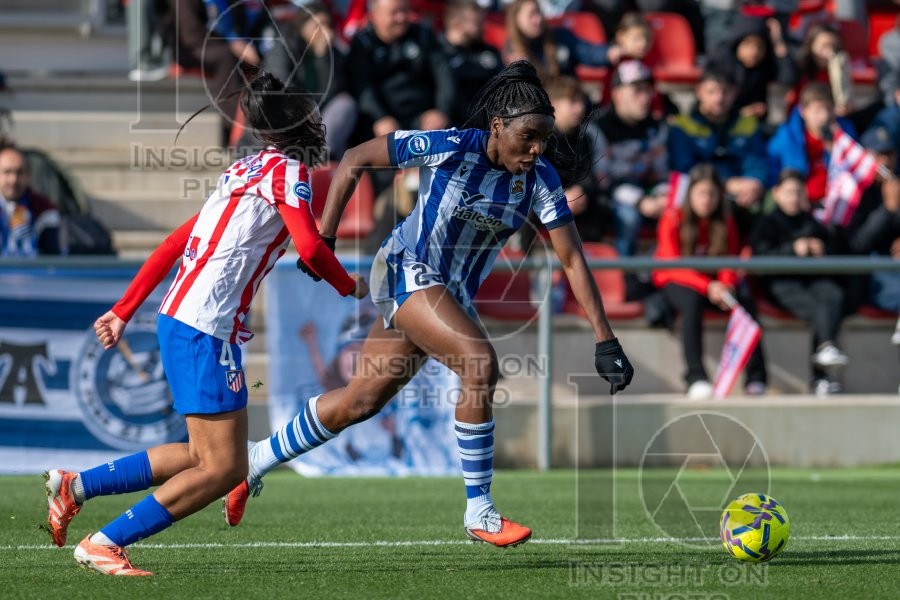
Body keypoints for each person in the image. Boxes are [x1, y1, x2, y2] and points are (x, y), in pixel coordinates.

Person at [223, 61, 635, 547]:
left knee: (359, 402)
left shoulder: (540, 179)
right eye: (528, 136)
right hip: (404, 270)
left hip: (445, 294)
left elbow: (571, 259)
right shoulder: (452, 146)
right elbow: (354, 157)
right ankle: (479, 510)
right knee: (480, 363)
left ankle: (254, 460)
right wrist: (326, 235)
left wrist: (606, 339)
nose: (536, 149)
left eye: (543, 139)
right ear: (498, 127)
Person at [42, 72, 368, 576]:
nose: (319, 118)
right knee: (221, 467)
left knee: (211, 454)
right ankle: (106, 541)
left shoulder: (243, 171)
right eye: (311, 109)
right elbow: (308, 247)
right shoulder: (287, 173)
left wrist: (126, 308)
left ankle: (75, 487)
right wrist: (351, 286)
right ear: (297, 120)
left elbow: (176, 242)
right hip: (205, 326)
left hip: (185, 318)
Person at [652, 164, 767, 400]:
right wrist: (708, 286)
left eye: (712, 194)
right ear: (690, 194)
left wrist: (726, 284)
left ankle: (756, 379)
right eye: (701, 193)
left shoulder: (724, 220)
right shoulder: (672, 218)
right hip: (675, 280)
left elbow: (729, 257)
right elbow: (672, 265)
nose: (706, 200)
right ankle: (696, 377)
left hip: (713, 285)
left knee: (744, 303)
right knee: (692, 303)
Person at [750, 169, 848, 396]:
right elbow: (760, 261)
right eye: (788, 192)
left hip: (812, 281)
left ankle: (824, 361)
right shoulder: (766, 223)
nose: (793, 198)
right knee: (819, 309)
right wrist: (793, 249)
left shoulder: (811, 223)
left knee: (832, 295)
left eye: (798, 192)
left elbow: (835, 250)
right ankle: (822, 369)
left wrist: (822, 249)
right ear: (776, 194)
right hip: (780, 285)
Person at [667, 68, 768, 237]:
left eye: (725, 92)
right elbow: (684, 168)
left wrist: (755, 183)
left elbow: (757, 160)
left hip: (743, 191)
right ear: (699, 92)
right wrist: (724, 184)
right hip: (703, 192)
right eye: (711, 92)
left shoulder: (748, 124)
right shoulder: (682, 126)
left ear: (734, 93)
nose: (719, 98)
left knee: (772, 204)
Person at [347, 0, 455, 139]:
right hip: (380, 124)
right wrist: (380, 118)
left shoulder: (423, 35)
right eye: (394, 13)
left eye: (404, 11)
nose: (401, 18)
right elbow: (361, 87)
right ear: (375, 15)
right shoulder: (363, 43)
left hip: (424, 119)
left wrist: (442, 111)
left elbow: (445, 78)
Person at [260, 2, 357, 159]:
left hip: (318, 125)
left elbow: (332, 94)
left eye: (328, 25)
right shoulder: (283, 48)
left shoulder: (332, 54)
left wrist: (322, 58)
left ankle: (320, 155)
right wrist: (306, 107)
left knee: (345, 104)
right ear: (302, 26)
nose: (325, 32)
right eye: (318, 26)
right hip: (287, 118)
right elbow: (280, 88)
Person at [594, 60, 668, 257]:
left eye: (647, 91)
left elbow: (661, 174)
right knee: (629, 217)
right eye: (636, 91)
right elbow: (603, 180)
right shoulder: (598, 128)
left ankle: (668, 275)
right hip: (610, 197)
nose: (645, 98)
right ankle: (624, 278)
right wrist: (639, 200)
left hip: (646, 191)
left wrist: (662, 195)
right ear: (617, 95)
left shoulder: (657, 127)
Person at [843, 127, 900, 344]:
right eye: (878, 155)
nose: (885, 161)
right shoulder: (854, 192)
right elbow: (858, 244)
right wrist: (888, 209)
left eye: (889, 154)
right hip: (873, 275)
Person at [767, 83, 856, 207]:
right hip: (799, 205)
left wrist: (836, 149)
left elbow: (855, 170)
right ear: (803, 111)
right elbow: (772, 174)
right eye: (817, 110)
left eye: (829, 109)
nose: (824, 116)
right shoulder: (787, 137)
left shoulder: (845, 133)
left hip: (840, 203)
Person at [546, 76, 610, 243]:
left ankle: (590, 257)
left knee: (602, 202)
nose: (579, 108)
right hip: (545, 203)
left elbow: (590, 174)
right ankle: (523, 260)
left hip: (577, 201)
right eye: (573, 102)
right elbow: (534, 179)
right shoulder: (539, 139)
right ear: (554, 103)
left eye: (581, 102)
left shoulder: (586, 138)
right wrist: (561, 197)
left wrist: (580, 191)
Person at [707, 14, 796, 121]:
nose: (754, 51)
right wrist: (740, 114)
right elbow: (712, 107)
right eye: (748, 44)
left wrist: (778, 42)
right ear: (738, 44)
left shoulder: (764, 65)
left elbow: (788, 79)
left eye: (759, 46)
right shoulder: (721, 64)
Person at [503, 0, 617, 80]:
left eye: (538, 12)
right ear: (516, 19)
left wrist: (610, 53)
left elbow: (587, 52)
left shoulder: (559, 36)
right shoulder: (512, 51)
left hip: (568, 96)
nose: (538, 19)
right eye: (531, 15)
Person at [439, 0, 503, 127]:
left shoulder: (489, 52)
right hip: (451, 127)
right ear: (456, 24)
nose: (483, 27)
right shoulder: (437, 53)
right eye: (477, 23)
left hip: (488, 123)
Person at [0, 145, 61, 256]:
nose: (13, 180)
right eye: (7, 172)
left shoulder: (44, 209)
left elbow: (52, 259)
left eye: (19, 172)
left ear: (28, 175)